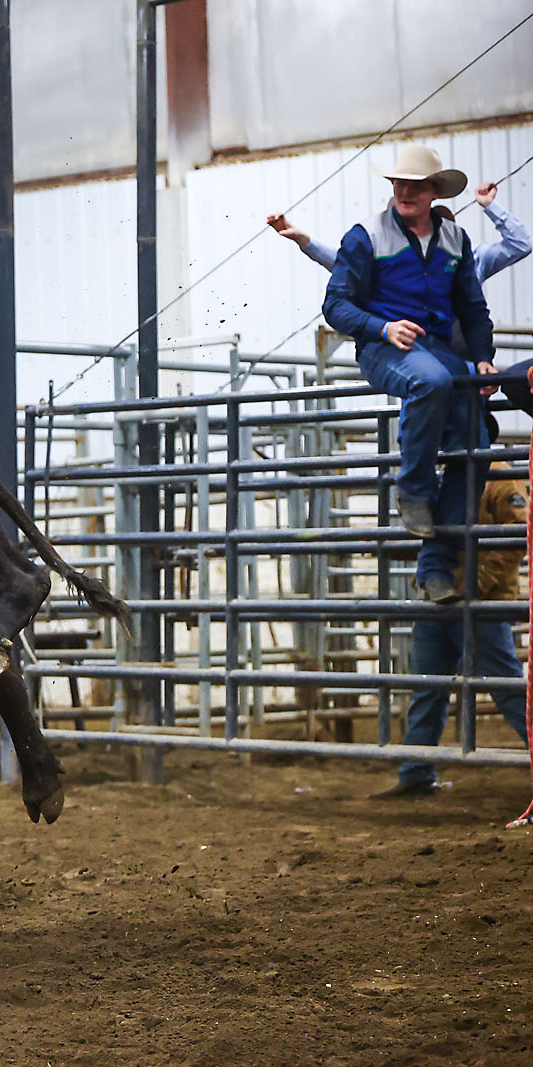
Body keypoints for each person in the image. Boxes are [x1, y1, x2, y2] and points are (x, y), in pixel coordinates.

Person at [322, 144, 496, 604]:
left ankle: (435, 569)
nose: (404, 191)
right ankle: (414, 490)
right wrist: (381, 325)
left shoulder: (455, 240)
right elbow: (335, 305)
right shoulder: (366, 236)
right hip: (383, 346)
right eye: (398, 183)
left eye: (415, 185)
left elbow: (473, 308)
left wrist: (482, 357)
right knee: (432, 381)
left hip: (437, 348)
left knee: (478, 444)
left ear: (435, 191)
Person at [375, 462, 532, 797]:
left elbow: (519, 534)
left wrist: (476, 583)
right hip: (440, 600)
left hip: (480, 605)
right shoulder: (445, 474)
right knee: (427, 688)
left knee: (507, 688)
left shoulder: (499, 476)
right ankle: (416, 770)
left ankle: (416, 770)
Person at [270, 181, 530, 281]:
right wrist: (305, 241)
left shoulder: (473, 257)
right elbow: (347, 263)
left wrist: (490, 206)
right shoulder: (394, 259)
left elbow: (521, 244)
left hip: (461, 358)